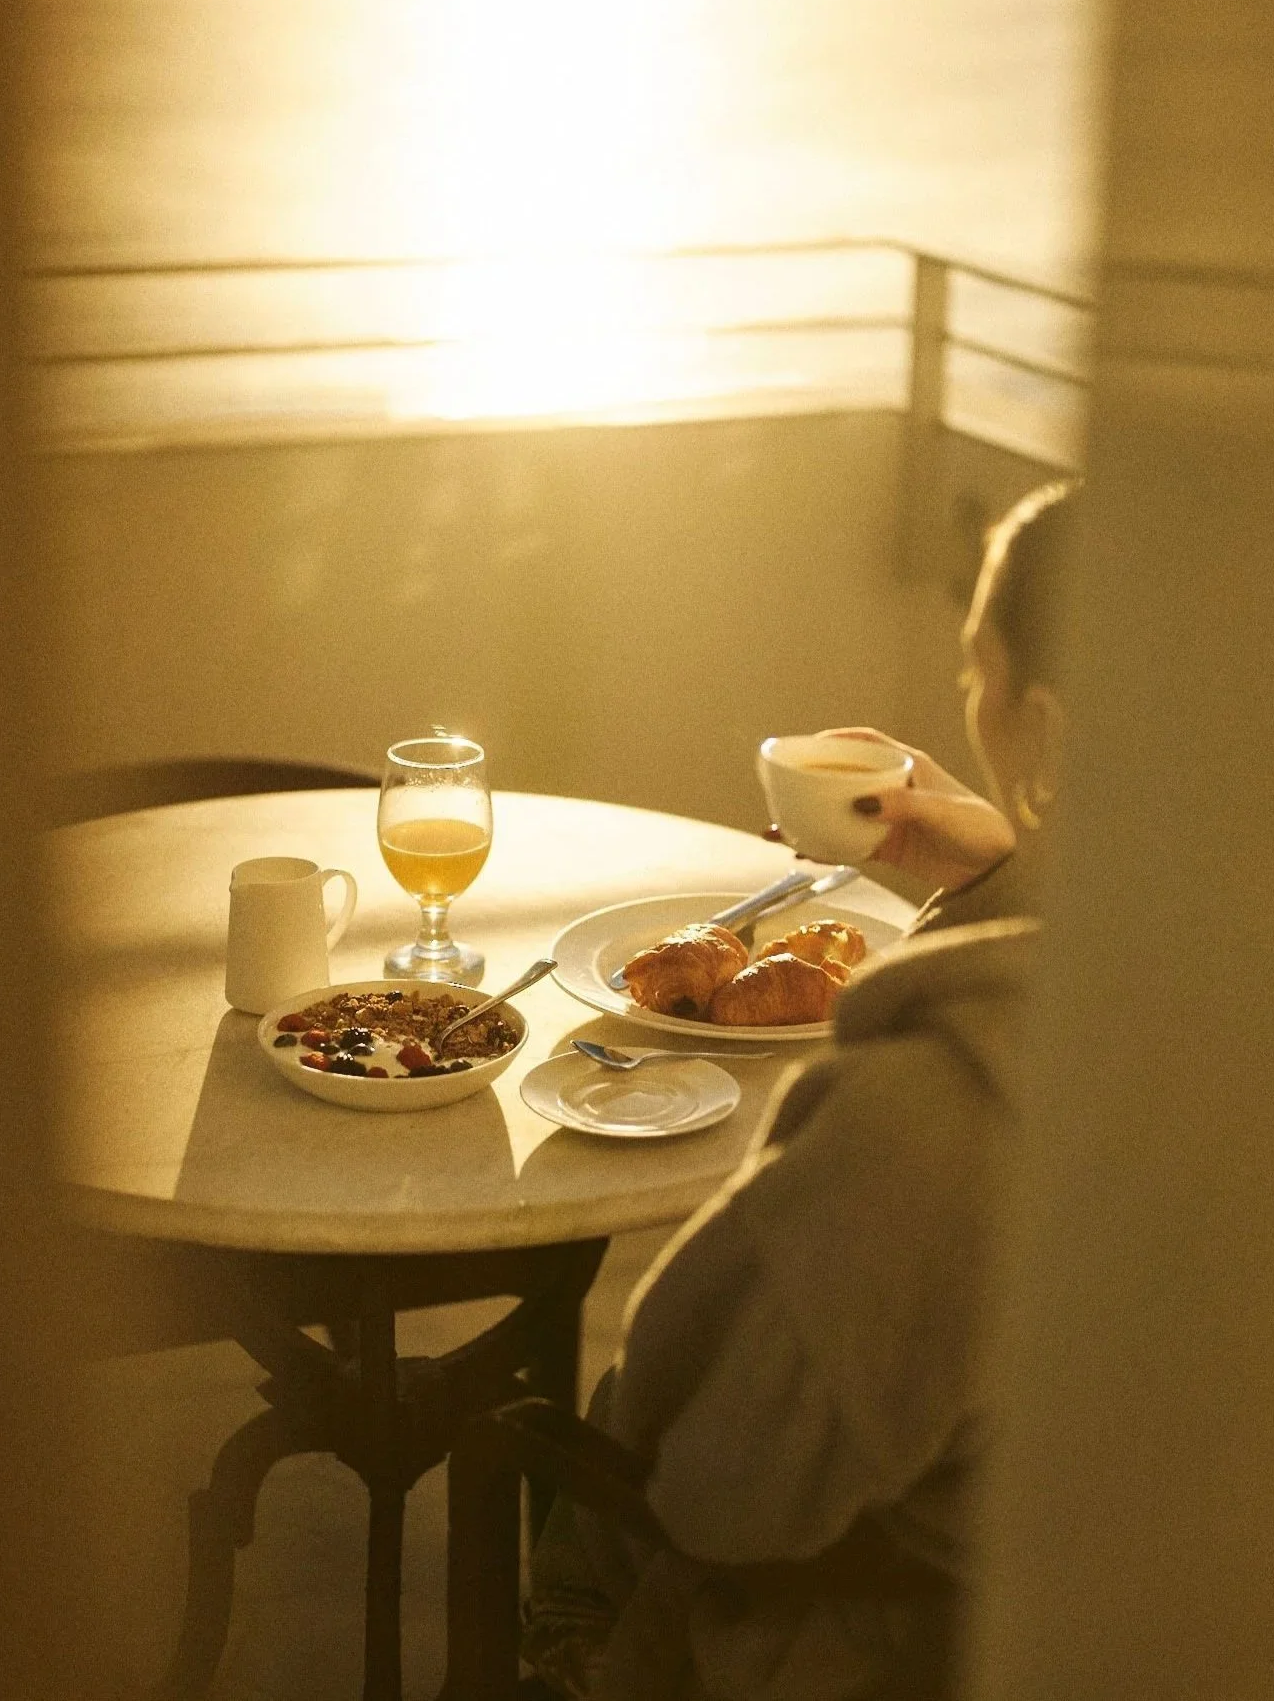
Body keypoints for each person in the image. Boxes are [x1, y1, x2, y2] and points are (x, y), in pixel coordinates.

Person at [523, 480, 1078, 1701]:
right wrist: (1011, 868)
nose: (969, 704)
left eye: (976, 673)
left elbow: (722, 1495)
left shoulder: (932, 1121)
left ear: (1044, 722)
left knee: (572, 1458)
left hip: (891, 1649)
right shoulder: (1258, 1033)